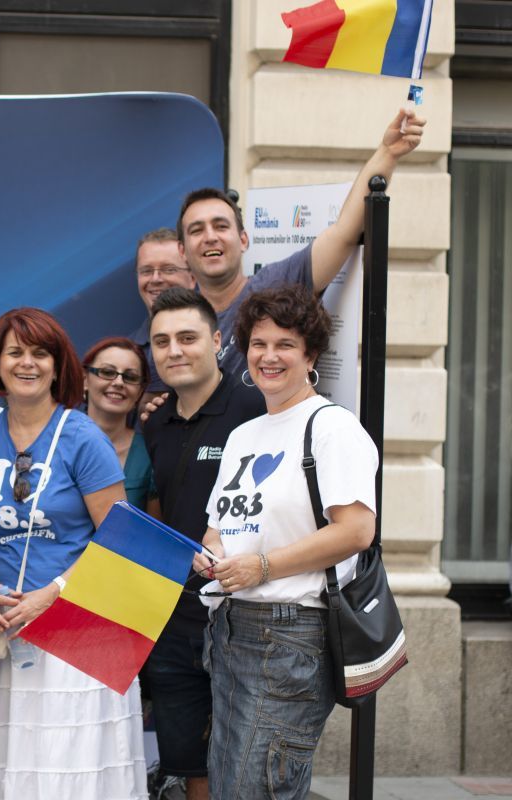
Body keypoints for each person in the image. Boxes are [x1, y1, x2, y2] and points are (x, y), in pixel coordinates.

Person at [0, 307, 147, 799]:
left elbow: (119, 538)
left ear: (59, 367)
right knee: (2, 769)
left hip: (76, 631)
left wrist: (53, 593)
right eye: (15, 352)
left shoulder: (83, 437)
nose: (27, 363)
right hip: (3, 628)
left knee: (66, 771)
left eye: (40, 353)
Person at [193, 284, 378, 799]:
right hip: (229, 628)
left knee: (255, 789)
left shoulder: (332, 427)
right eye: (258, 343)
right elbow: (221, 527)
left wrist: (263, 566)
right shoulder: (244, 435)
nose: (268, 356)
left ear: (310, 355)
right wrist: (212, 555)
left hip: (290, 633)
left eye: (285, 345)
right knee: (231, 786)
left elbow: (357, 530)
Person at [175, 109, 425, 384]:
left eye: (221, 226)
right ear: (182, 251)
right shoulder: (176, 320)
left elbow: (343, 233)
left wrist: (387, 153)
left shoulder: (274, 285)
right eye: (196, 230)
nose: (210, 237)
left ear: (243, 239)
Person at [142, 287, 265, 800]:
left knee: (250, 765)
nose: (174, 350)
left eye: (187, 338)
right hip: (174, 622)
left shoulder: (256, 409)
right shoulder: (153, 422)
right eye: (161, 341)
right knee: (193, 766)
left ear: (217, 341)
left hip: (246, 619)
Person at [80, 336, 155, 513]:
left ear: (140, 391)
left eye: (130, 377)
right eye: (107, 372)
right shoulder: (56, 443)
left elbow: (153, 526)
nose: (118, 382)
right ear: (85, 380)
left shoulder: (149, 454)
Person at [129, 228, 195, 395]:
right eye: (146, 271)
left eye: (168, 269)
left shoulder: (219, 336)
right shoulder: (128, 351)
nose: (156, 279)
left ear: (193, 277)